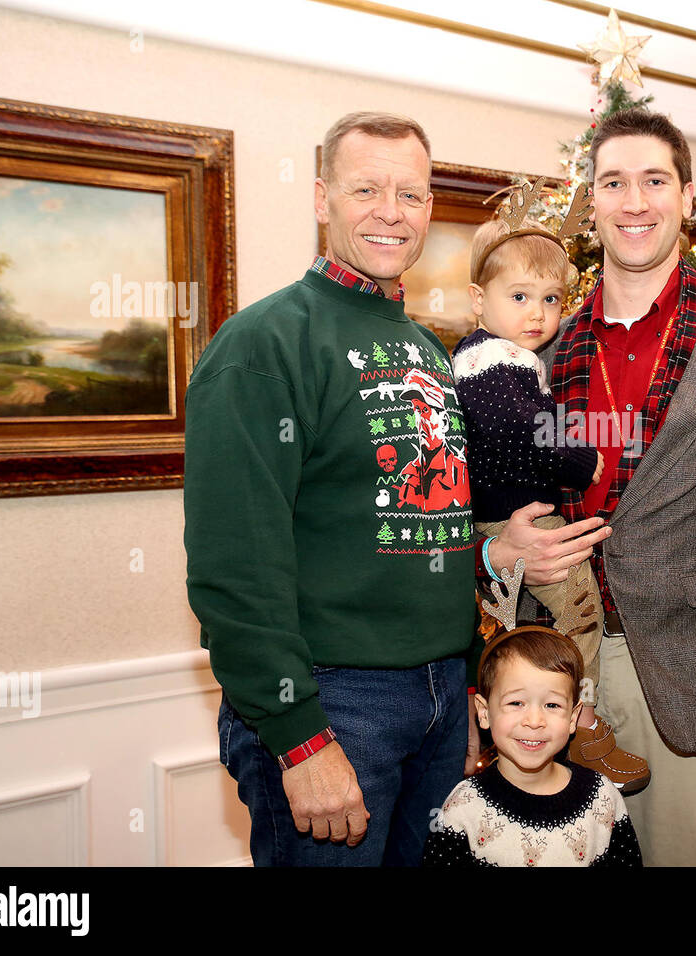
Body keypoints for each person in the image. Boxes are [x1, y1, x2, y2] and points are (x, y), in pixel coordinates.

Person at [477, 107, 696, 866]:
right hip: (556, 683)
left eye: (654, 180)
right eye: (613, 183)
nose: (634, 201)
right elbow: (477, 501)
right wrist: (499, 559)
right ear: (592, 203)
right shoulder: (538, 348)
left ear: (687, 196)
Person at [184, 112, 475, 866]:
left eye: (410, 194)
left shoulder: (424, 348)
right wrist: (301, 738)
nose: (390, 211)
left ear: (429, 208)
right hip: (333, 704)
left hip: (441, 698)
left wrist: (462, 693)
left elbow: (431, 522)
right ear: (321, 199)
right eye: (365, 189)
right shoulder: (262, 346)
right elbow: (233, 568)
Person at [452, 213, 648, 792]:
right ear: (477, 300)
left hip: (505, 517)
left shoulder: (497, 356)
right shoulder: (496, 363)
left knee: (525, 622)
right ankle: (581, 722)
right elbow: (523, 430)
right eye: (519, 296)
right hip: (514, 519)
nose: (537, 313)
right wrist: (581, 461)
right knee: (580, 609)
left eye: (551, 298)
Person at [423, 626, 643, 866]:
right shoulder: (462, 808)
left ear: (572, 718)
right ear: (484, 712)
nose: (535, 721)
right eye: (516, 702)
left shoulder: (603, 798)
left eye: (552, 705)